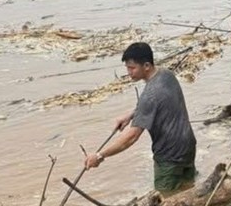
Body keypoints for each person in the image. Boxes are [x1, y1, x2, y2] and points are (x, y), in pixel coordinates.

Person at [84, 42, 197, 196]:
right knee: (188, 191)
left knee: (166, 198)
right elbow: (158, 103)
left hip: (169, 156)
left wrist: (99, 155)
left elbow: (131, 137)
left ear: (146, 66)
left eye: (132, 68)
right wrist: (131, 115)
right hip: (188, 145)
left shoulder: (149, 95)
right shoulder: (166, 75)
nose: (129, 72)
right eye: (127, 68)